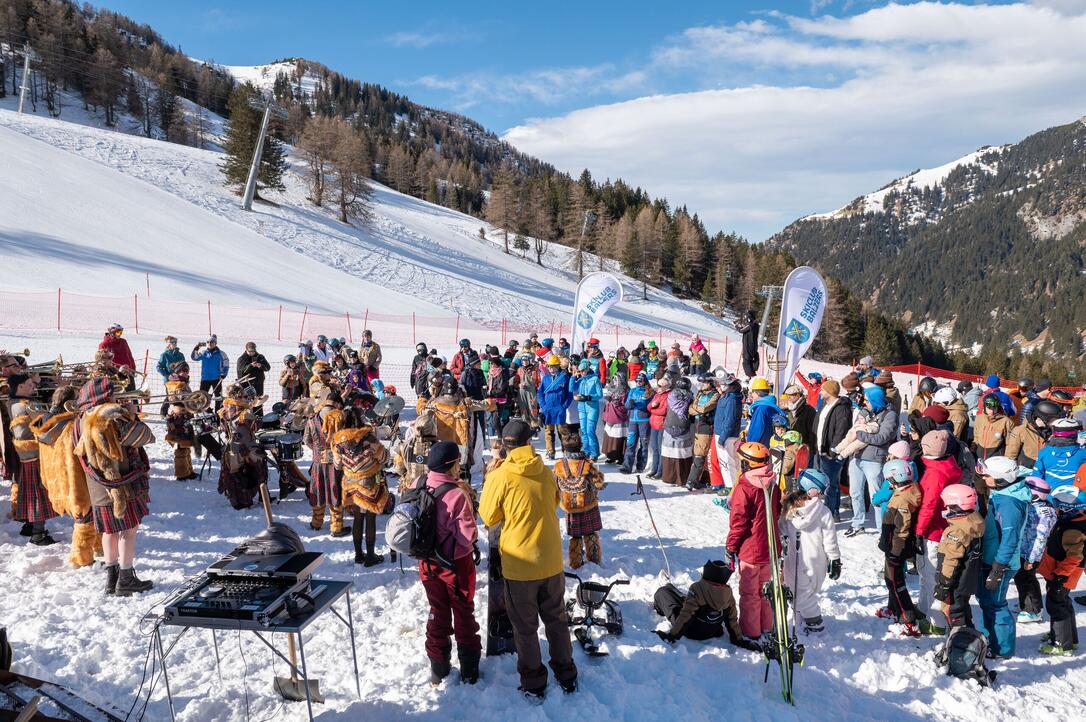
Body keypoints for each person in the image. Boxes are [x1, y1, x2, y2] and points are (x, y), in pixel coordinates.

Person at [479, 420, 577, 699]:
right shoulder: (545, 472)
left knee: (525, 626)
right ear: (529, 443)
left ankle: (534, 681)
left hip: (521, 563)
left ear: (504, 446)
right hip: (551, 560)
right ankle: (566, 672)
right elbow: (556, 501)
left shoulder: (502, 476)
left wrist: (494, 472)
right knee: (557, 619)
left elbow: (488, 516)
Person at [72, 377, 154, 595]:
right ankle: (126, 578)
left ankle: (112, 577)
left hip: (98, 486)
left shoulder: (80, 419)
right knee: (129, 530)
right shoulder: (110, 418)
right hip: (121, 484)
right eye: (113, 395)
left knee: (110, 532)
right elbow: (145, 436)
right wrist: (132, 414)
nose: (117, 399)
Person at [412, 441, 482, 684]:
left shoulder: (417, 484)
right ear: (452, 464)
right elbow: (466, 536)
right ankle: (469, 670)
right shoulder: (456, 494)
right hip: (456, 564)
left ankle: (438, 667)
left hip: (426, 564)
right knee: (463, 612)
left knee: (437, 611)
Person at [724, 442, 781, 642]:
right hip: (770, 547)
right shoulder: (772, 483)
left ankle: (751, 630)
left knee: (750, 593)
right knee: (765, 591)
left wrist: (731, 546)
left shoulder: (745, 488)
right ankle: (767, 625)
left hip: (751, 548)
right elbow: (776, 512)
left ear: (748, 465)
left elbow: (738, 522)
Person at [976, 455, 1030, 659]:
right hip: (991, 558)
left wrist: (998, 569)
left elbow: (1010, 539)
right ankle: (987, 638)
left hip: (1000, 563)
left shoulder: (1009, 505)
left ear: (1000, 479)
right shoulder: (1001, 493)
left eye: (987, 475)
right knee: (985, 600)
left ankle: (1002, 649)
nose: (983, 478)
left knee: (996, 604)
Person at [780, 469, 841, 635]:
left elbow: (782, 531)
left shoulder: (788, 509)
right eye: (821, 490)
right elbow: (830, 539)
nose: (822, 494)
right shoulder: (824, 512)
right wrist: (834, 559)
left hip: (796, 559)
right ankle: (802, 615)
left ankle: (815, 623)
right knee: (807, 592)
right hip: (817, 561)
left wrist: (782, 548)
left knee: (801, 593)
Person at [913, 430, 962, 636]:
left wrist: (918, 531)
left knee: (930, 573)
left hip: (932, 530)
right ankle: (925, 609)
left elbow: (929, 505)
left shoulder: (934, 473)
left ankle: (934, 619)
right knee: (936, 573)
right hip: (945, 526)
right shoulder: (949, 465)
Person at [331, 406, 391, 566]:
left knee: (357, 519)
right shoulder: (369, 439)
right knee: (370, 519)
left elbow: (337, 465)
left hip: (351, 484)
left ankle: (358, 555)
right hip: (370, 483)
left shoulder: (337, 442)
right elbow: (384, 458)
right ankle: (371, 556)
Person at [653, 561, 757, 647]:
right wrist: (738, 640)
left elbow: (685, 616)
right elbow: (732, 621)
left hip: (691, 631)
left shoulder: (697, 588)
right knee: (683, 597)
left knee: (662, 593)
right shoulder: (728, 594)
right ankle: (670, 586)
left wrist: (672, 636)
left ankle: (664, 592)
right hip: (712, 631)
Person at [7, 373, 58, 545]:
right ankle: (38, 533)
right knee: (39, 493)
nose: (33, 387)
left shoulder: (11, 403)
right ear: (20, 387)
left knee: (30, 491)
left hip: (25, 455)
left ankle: (29, 525)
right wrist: (56, 407)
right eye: (29, 384)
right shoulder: (28, 405)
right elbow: (46, 425)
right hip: (36, 454)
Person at [1037, 483, 1086, 656]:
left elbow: (1074, 557)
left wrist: (1060, 577)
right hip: (1057, 572)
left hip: (1061, 575)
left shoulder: (1073, 530)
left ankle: (1061, 644)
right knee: (1063, 603)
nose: (1055, 509)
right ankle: (1067, 638)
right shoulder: (1072, 520)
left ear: (1067, 508)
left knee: (1056, 605)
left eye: (1058, 506)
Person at [876, 459, 922, 636]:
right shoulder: (906, 489)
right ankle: (893, 609)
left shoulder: (903, 499)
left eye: (889, 479)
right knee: (890, 579)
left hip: (896, 547)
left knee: (895, 582)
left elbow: (901, 529)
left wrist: (895, 552)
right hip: (891, 544)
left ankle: (907, 618)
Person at [845, 385, 897, 537]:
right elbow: (855, 428)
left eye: (867, 400)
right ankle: (857, 523)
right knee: (855, 493)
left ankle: (883, 530)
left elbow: (883, 437)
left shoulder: (889, 415)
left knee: (876, 497)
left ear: (875, 400)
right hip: (857, 457)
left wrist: (861, 435)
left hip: (874, 460)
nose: (865, 403)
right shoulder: (866, 411)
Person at [932, 484, 985, 630]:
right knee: (962, 607)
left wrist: (944, 585)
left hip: (954, 583)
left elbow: (951, 561)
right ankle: (967, 637)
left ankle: (961, 644)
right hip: (967, 581)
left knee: (952, 611)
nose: (946, 509)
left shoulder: (956, 531)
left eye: (947, 505)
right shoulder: (974, 521)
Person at [555, 428, 606, 568]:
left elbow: (555, 485)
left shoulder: (559, 466)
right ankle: (594, 558)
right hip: (588, 504)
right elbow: (599, 483)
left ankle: (576, 561)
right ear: (580, 446)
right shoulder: (587, 465)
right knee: (590, 533)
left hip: (570, 507)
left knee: (575, 536)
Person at [303, 391, 350, 536]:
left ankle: (316, 522)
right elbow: (346, 441)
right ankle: (336, 528)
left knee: (318, 491)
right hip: (336, 463)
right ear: (336, 404)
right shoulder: (340, 418)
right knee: (335, 491)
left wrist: (318, 451)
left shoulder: (311, 419)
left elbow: (306, 440)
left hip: (318, 462)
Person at [1014, 475, 1057, 623]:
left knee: (1027, 579)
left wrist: (1032, 558)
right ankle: (1024, 603)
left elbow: (1040, 538)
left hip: (1031, 553)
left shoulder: (1043, 513)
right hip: (1024, 549)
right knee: (1020, 578)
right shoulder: (1034, 506)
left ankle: (1033, 610)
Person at [217, 395, 266, 510]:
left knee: (235, 476)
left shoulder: (224, 413)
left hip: (231, 450)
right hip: (247, 450)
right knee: (257, 471)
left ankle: (237, 500)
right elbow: (256, 426)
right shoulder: (245, 415)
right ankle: (248, 500)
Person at [814, 379, 849, 521]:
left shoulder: (841, 409)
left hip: (831, 453)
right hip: (820, 450)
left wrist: (832, 452)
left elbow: (840, 432)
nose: (820, 392)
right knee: (825, 483)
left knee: (831, 484)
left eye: (822, 390)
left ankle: (831, 513)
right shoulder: (824, 405)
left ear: (829, 392)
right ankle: (829, 511)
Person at [1007, 399, 1061, 468]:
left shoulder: (1052, 432)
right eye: (1053, 420)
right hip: (1026, 471)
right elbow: (1010, 455)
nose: (1055, 423)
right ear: (1044, 418)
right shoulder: (1021, 431)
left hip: (1046, 469)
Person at [1033, 418, 1086, 488]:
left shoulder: (1044, 452)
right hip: (1076, 497)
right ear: (1074, 435)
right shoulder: (1083, 454)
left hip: (1049, 496)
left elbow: (1036, 477)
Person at [712, 371, 743, 492]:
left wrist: (723, 437)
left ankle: (731, 487)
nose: (717, 387)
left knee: (727, 462)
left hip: (727, 435)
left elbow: (730, 420)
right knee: (730, 460)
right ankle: (732, 485)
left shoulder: (732, 399)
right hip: (723, 433)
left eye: (719, 385)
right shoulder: (726, 396)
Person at [537, 356, 572, 460]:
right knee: (549, 432)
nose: (552, 368)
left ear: (558, 366)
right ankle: (550, 451)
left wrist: (564, 406)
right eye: (550, 366)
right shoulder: (546, 378)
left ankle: (565, 450)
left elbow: (569, 394)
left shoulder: (565, 378)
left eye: (554, 366)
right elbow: (540, 393)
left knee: (563, 431)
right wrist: (543, 405)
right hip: (548, 409)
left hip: (559, 409)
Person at [661, 377, 695, 486]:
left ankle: (673, 478)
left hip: (673, 426)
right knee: (679, 454)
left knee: (674, 453)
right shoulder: (686, 397)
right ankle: (677, 478)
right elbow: (685, 411)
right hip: (680, 427)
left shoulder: (672, 395)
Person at [571, 359, 604, 460]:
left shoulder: (595, 379)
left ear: (587, 369)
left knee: (590, 431)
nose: (581, 373)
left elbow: (599, 395)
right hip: (582, 408)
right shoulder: (580, 379)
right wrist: (573, 376)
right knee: (584, 431)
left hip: (592, 408)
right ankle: (586, 451)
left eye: (583, 371)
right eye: (580, 371)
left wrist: (589, 397)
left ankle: (594, 453)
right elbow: (571, 388)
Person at [191, 335, 229, 411]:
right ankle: (205, 413)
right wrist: (196, 348)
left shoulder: (221, 354)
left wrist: (223, 374)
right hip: (205, 379)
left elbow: (226, 364)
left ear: (215, 343)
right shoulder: (203, 353)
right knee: (202, 398)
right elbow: (194, 358)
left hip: (217, 379)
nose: (209, 343)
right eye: (208, 342)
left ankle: (218, 414)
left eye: (212, 342)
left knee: (218, 398)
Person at [745, 377, 783, 448]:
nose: (751, 395)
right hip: (767, 444)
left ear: (758, 393)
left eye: (752, 392)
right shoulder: (771, 405)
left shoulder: (761, 408)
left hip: (758, 447)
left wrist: (750, 445)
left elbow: (757, 429)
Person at [646, 377, 672, 479]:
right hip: (653, 424)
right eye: (658, 385)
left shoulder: (668, 396)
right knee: (654, 448)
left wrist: (653, 410)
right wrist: (652, 405)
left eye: (660, 386)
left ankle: (660, 471)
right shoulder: (657, 395)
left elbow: (663, 411)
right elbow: (648, 407)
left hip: (661, 425)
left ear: (665, 387)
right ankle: (654, 469)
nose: (658, 387)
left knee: (661, 449)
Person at [600, 375, 628, 464]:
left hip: (619, 417)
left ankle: (620, 457)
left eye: (616, 380)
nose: (614, 381)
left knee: (619, 437)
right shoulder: (611, 389)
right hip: (610, 416)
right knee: (610, 437)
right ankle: (611, 456)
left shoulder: (624, 391)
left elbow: (625, 405)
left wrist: (616, 403)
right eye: (613, 379)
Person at [98, 323, 136, 388]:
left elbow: (130, 356)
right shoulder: (104, 344)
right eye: (118, 332)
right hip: (116, 375)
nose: (120, 334)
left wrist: (133, 368)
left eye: (121, 332)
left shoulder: (123, 342)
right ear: (112, 333)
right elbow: (101, 359)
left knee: (132, 395)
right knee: (120, 395)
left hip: (128, 372)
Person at [237, 342, 269, 413]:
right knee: (248, 403)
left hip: (258, 383)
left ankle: (259, 418)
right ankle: (248, 419)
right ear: (246, 350)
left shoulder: (260, 357)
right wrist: (250, 365)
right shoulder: (242, 359)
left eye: (253, 351)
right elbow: (241, 372)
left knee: (258, 401)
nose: (252, 353)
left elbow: (268, 368)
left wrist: (261, 366)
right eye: (250, 351)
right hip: (247, 385)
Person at [736, 310, 760, 380]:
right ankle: (751, 376)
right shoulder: (756, 325)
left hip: (748, 346)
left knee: (746, 362)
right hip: (753, 346)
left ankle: (752, 376)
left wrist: (735, 325)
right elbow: (744, 329)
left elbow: (741, 330)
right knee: (750, 362)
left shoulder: (751, 325)